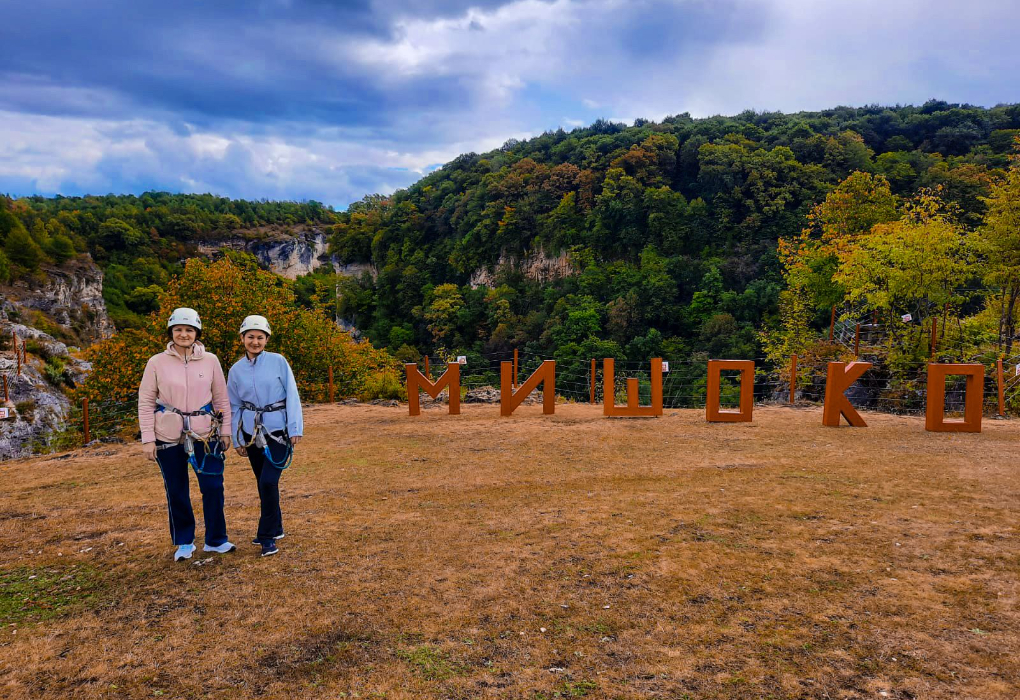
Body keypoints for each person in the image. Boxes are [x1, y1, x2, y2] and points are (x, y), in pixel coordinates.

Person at [138, 307, 234, 562]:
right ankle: (184, 541)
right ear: (171, 332)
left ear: (197, 333)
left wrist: (225, 432)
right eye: (178, 330)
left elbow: (221, 398)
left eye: (189, 330)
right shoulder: (156, 362)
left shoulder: (211, 360)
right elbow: (146, 402)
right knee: (177, 489)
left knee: (213, 487)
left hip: (206, 433)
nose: (183, 334)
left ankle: (216, 539)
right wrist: (148, 439)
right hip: (168, 436)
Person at [227, 315, 303, 558]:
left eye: (260, 337)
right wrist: (238, 438)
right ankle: (277, 526)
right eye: (250, 337)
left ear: (267, 339)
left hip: (277, 431)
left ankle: (267, 536)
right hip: (252, 434)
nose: (255, 341)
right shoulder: (236, 370)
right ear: (242, 339)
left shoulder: (279, 362)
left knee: (268, 482)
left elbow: (292, 393)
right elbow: (234, 405)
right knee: (263, 484)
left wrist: (295, 428)